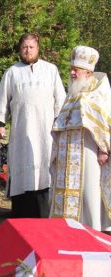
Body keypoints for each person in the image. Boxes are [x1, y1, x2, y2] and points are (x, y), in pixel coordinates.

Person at [0, 33, 66, 218]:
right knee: (22, 170)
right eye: (24, 47)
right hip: (21, 131)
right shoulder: (12, 72)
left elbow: (61, 100)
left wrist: (60, 124)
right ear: (20, 49)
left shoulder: (51, 70)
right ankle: (22, 216)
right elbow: (1, 100)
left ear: (38, 48)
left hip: (46, 133)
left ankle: (44, 215)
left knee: (44, 171)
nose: (28, 50)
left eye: (31, 47)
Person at [50, 46, 111, 234]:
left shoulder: (99, 93)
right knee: (68, 191)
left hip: (89, 151)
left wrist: (103, 149)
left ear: (88, 72)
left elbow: (104, 122)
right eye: (72, 69)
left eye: (76, 70)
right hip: (68, 153)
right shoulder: (72, 94)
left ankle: (94, 230)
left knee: (90, 191)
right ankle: (68, 230)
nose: (72, 73)